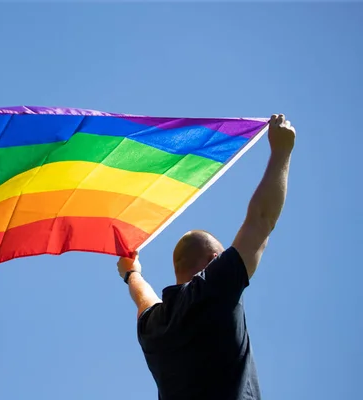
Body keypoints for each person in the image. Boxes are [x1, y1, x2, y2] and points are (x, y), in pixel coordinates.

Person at [117, 114, 296, 399]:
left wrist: (132, 273)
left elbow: (144, 298)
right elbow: (261, 220)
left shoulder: (155, 327)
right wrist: (282, 151)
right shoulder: (214, 288)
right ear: (214, 260)